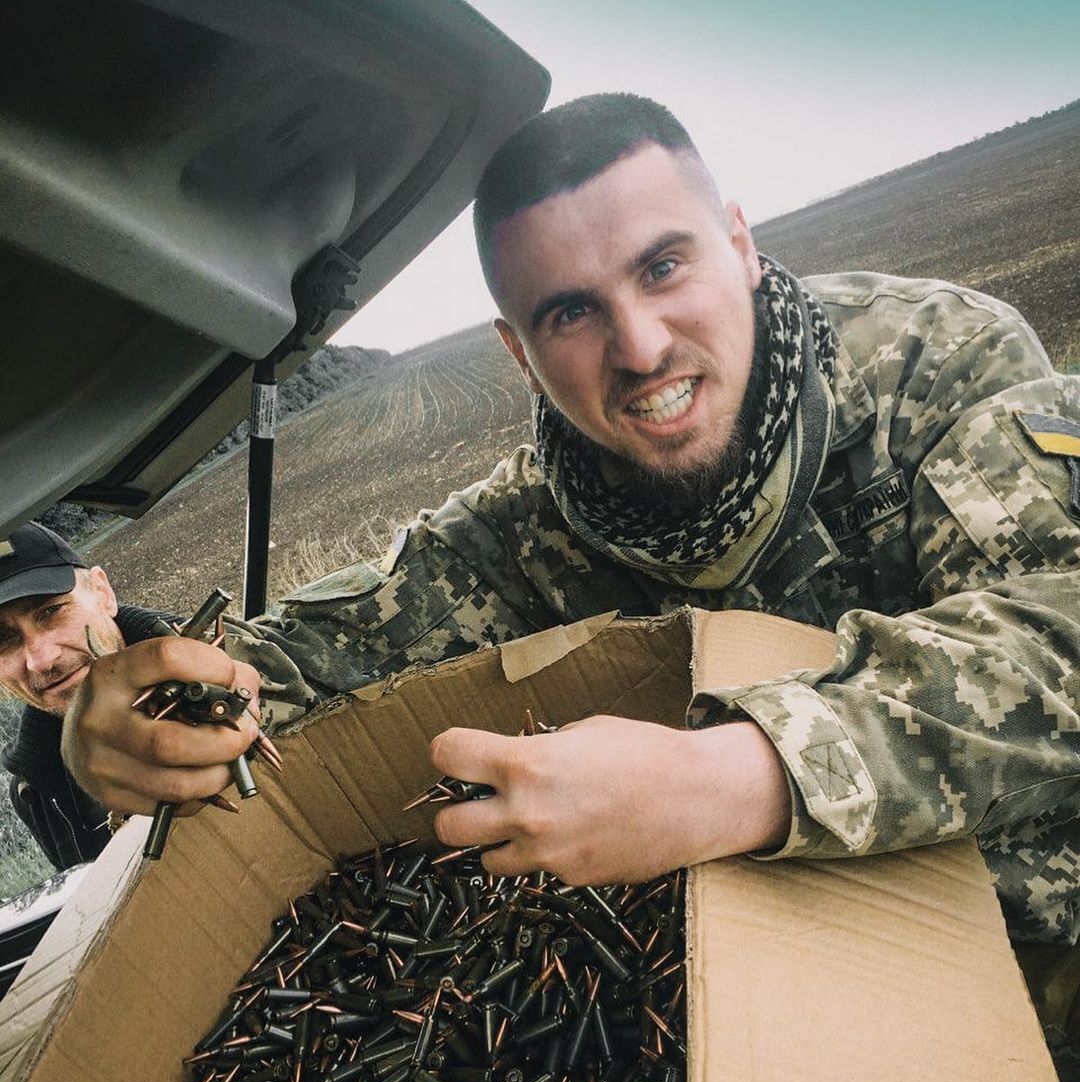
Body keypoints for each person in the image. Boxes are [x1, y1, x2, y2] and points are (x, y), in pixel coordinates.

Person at [58, 93, 1080, 947]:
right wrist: (121, 718)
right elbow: (289, 670)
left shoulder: (935, 361)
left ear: (740, 245)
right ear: (519, 353)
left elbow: (1058, 632)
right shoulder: (524, 531)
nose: (640, 348)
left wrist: (731, 777)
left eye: (664, 268)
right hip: (803, 987)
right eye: (571, 313)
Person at [0, 523, 162, 868]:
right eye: (3, 640)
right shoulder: (35, 790)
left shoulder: (250, 671)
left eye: (50, 611)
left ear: (103, 593)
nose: (42, 660)